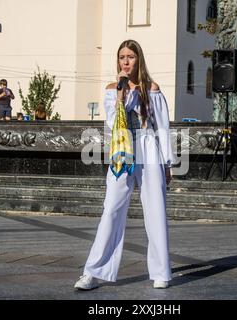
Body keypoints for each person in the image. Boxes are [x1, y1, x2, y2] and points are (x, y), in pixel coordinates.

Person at [74, 39, 175, 291]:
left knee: (155, 210)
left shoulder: (151, 89)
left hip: (148, 147)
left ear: (138, 59)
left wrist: (168, 163)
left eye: (130, 56)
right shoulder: (112, 89)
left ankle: (161, 271)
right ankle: (92, 272)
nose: (126, 61)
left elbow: (162, 127)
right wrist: (120, 96)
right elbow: (110, 122)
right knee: (111, 209)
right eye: (121, 57)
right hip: (122, 150)